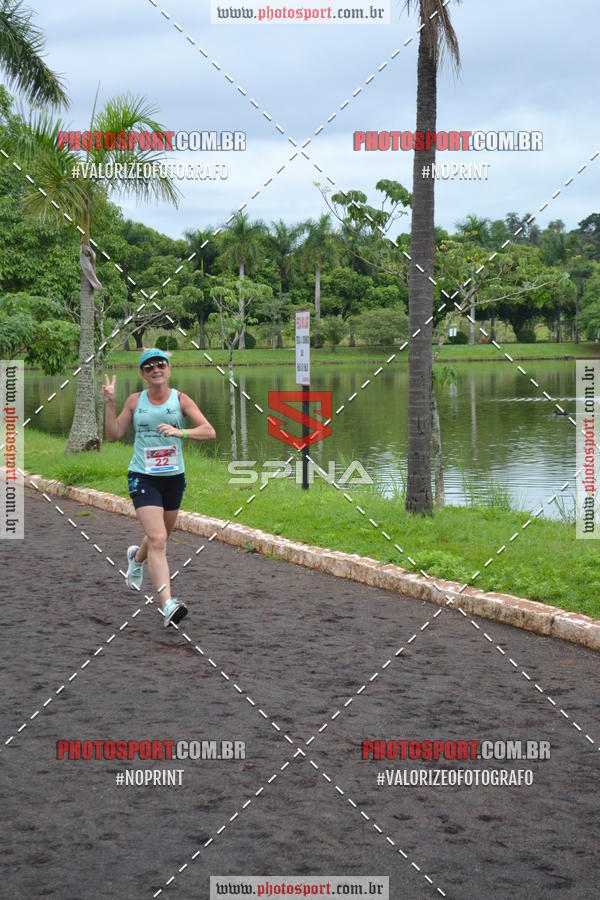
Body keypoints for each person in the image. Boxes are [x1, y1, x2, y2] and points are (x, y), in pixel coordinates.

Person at [103, 348, 216, 627]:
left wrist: (181, 432)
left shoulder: (180, 399)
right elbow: (113, 434)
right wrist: (109, 403)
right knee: (158, 539)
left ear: (169, 369)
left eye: (160, 365)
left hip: (173, 478)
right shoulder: (134, 401)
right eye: (149, 367)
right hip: (143, 477)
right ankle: (168, 604)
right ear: (142, 373)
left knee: (161, 536)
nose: (156, 370)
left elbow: (209, 431)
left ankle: (136, 557)